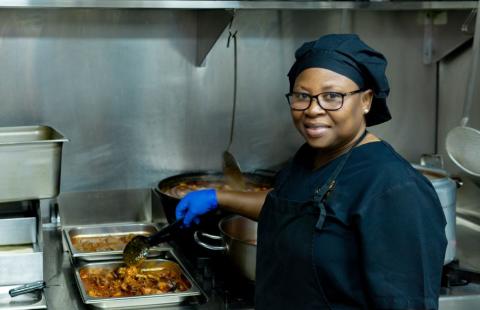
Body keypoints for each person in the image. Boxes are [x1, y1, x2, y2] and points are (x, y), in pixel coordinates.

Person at [176, 34, 447, 310]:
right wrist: (218, 196)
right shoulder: (308, 157)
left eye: (332, 96)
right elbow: (289, 205)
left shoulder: (395, 189)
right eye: (302, 96)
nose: (313, 110)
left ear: (366, 100)